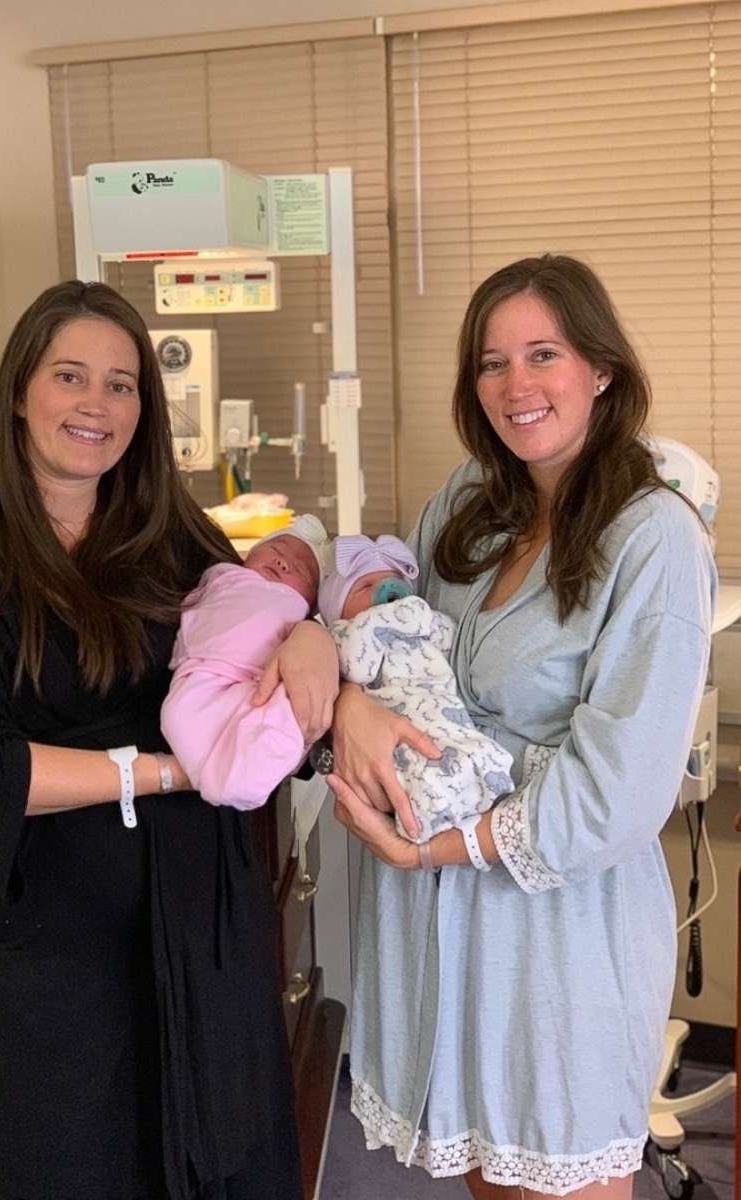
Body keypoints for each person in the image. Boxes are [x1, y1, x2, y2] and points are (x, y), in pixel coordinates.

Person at [0, 280, 336, 1200]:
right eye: (70, 376)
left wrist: (313, 633)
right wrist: (181, 769)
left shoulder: (171, 535)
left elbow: (267, 617)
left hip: (201, 917)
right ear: (22, 391)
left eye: (123, 384)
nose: (97, 404)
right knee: (72, 1168)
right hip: (55, 938)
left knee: (225, 1164)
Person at [326, 255, 716, 1199]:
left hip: (558, 927)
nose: (517, 386)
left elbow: (615, 797)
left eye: (544, 354)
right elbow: (382, 642)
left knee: (562, 1173)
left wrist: (433, 849)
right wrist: (348, 704)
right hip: (443, 927)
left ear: (601, 369)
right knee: (489, 1179)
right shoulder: (465, 504)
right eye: (492, 363)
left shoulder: (653, 538)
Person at [316, 533, 514, 848]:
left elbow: (450, 638)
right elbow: (357, 667)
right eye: (366, 587)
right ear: (337, 610)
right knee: (419, 769)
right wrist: (381, 620)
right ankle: (425, 820)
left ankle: (491, 796)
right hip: (397, 718)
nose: (386, 591)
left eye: (394, 581)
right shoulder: (345, 633)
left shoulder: (419, 624)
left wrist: (417, 614)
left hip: (442, 708)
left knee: (474, 752)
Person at [161, 514, 331, 809]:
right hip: (205, 672)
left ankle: (243, 781)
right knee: (176, 715)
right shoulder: (220, 576)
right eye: (276, 551)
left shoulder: (300, 616)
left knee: (281, 716)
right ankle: (219, 776)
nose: (282, 563)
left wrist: (314, 633)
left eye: (300, 571)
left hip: (257, 685)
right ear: (248, 554)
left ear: (313, 599)